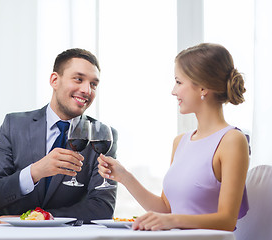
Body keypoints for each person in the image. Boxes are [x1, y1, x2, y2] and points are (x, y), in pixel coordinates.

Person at [98, 43, 249, 231]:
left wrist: (173, 221)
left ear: (203, 87)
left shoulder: (232, 140)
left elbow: (227, 221)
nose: (173, 91)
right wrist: (125, 177)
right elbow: (166, 210)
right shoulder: (180, 142)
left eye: (179, 82)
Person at [0, 48, 118, 223]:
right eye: (79, 79)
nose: (87, 90)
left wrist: (38, 218)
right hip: (10, 235)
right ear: (54, 80)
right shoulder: (14, 125)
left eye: (93, 84)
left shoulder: (102, 136)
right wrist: (34, 172)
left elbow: (102, 208)